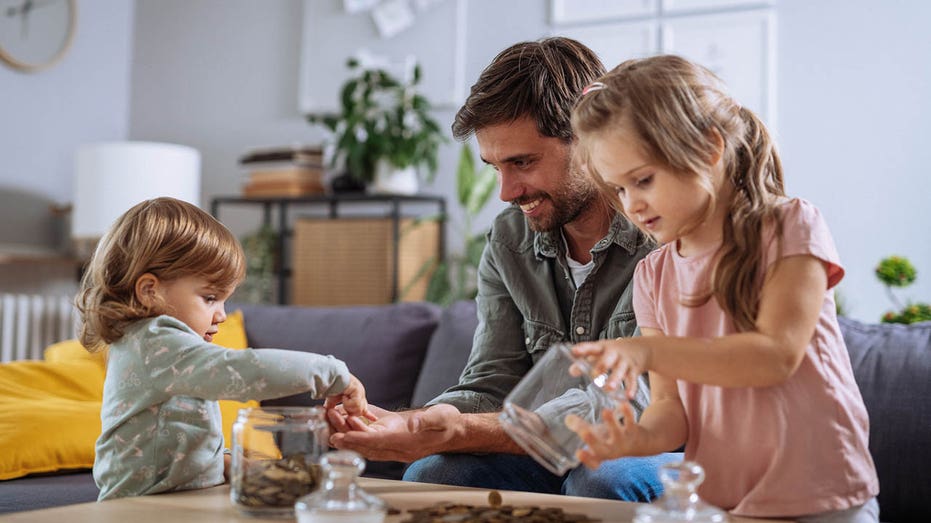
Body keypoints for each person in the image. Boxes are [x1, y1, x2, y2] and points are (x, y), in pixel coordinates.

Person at [328, 37, 680, 502]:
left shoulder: (665, 235)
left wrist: (457, 431)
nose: (507, 190)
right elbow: (492, 381)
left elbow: (636, 404)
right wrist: (410, 423)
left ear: (591, 139)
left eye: (523, 162)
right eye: (494, 166)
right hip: (544, 449)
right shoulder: (509, 239)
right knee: (434, 475)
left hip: (656, 442)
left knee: (601, 479)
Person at [565, 55, 880, 521]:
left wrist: (647, 352)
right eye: (620, 190)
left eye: (643, 180)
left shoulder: (789, 226)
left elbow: (774, 356)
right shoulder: (652, 276)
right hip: (725, 502)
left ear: (709, 147)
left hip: (823, 496)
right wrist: (635, 440)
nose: (632, 205)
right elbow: (671, 411)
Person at [75, 197, 371, 501]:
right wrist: (333, 373)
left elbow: (175, 432)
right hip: (138, 510)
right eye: (210, 298)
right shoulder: (155, 341)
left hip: (174, 502)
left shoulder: (161, 349)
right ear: (151, 291)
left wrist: (226, 462)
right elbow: (244, 370)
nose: (221, 315)